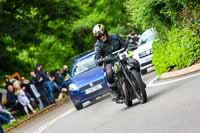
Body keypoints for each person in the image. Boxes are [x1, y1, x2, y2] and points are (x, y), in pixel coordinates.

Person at [92, 24, 146, 101]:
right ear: (97, 38)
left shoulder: (115, 37)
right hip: (109, 62)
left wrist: (130, 45)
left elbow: (126, 44)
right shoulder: (98, 46)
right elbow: (96, 58)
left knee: (134, 62)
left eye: (103, 34)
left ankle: (139, 81)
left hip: (121, 57)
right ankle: (115, 92)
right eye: (99, 36)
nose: (102, 37)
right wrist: (99, 60)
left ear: (106, 32)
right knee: (109, 73)